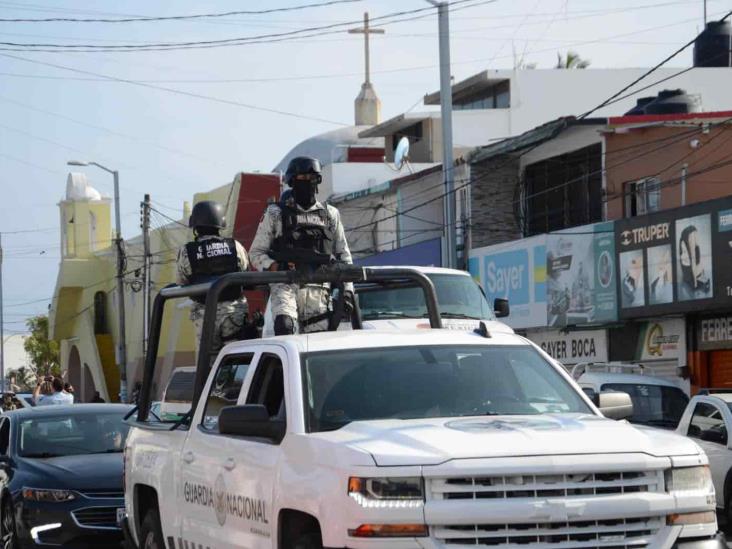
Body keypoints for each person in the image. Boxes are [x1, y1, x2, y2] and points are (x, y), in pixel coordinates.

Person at [250, 156, 354, 335]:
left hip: (319, 290)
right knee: (285, 327)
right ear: (292, 181)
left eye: (313, 179)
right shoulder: (275, 213)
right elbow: (256, 253)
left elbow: (344, 257)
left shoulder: (330, 214)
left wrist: (348, 292)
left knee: (319, 344)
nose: (309, 183)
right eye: (303, 179)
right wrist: (276, 266)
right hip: (286, 285)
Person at [176, 200, 250, 359]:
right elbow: (245, 271)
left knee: (207, 365)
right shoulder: (235, 246)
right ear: (220, 224)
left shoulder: (186, 252)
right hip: (234, 313)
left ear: (195, 227)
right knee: (237, 361)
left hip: (205, 315)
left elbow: (182, 282)